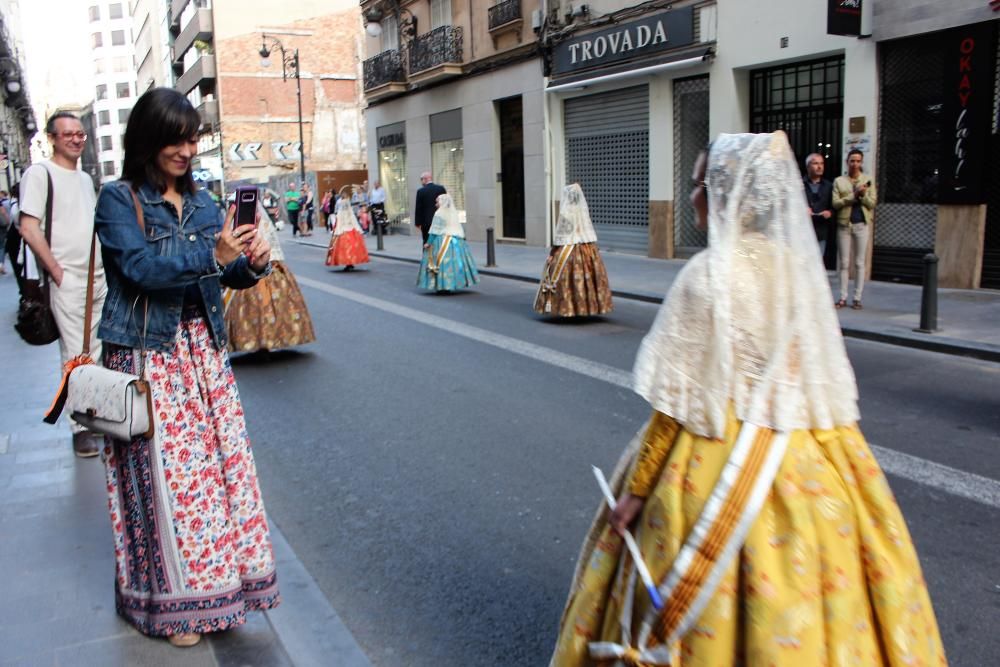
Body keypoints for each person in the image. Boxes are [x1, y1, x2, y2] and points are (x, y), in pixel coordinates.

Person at [550, 132, 945, 666]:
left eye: (698, 185)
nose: (692, 196)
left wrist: (637, 493)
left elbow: (676, 402)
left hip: (708, 452)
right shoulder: (797, 272)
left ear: (723, 192)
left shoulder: (709, 274)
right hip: (806, 454)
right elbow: (809, 372)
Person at [94, 87, 279, 647]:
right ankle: (171, 608)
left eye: (193, 137)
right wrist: (212, 256)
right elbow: (141, 269)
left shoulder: (204, 204)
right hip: (148, 355)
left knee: (215, 479)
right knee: (166, 485)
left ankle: (220, 594)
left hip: (204, 355)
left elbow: (218, 277)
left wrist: (251, 266)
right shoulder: (118, 200)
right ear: (149, 139)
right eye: (176, 138)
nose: (186, 148)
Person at [18, 111, 106, 457]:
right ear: (52, 138)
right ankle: (80, 428)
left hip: (97, 278)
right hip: (69, 280)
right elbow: (28, 226)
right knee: (76, 355)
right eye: (67, 134)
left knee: (96, 353)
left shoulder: (84, 179)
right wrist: (56, 271)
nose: (75, 139)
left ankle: (95, 419)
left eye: (80, 134)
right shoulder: (39, 173)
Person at [224, 198, 316, 353]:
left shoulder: (256, 221)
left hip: (263, 264)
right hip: (250, 267)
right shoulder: (250, 221)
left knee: (259, 304)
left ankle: (263, 338)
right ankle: (265, 338)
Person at [533, 183, 612, 317]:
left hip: (568, 248)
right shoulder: (582, 211)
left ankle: (568, 308)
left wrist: (554, 251)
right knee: (588, 277)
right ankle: (586, 307)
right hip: (586, 248)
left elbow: (562, 235)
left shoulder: (567, 212)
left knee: (566, 279)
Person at [832, 149, 877, 310]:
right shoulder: (839, 181)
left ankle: (857, 298)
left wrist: (863, 195)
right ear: (847, 162)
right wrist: (853, 196)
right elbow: (836, 203)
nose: (855, 164)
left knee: (859, 262)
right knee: (844, 263)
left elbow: (872, 204)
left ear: (861, 162)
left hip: (861, 225)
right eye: (852, 161)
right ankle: (843, 297)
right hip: (844, 225)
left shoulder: (868, 180)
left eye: (858, 161)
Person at [416, 194, 479, 292]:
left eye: (437, 202)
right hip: (456, 241)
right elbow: (459, 228)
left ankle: (443, 285)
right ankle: (453, 284)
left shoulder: (439, 213)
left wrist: (428, 243)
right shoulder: (453, 213)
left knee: (441, 264)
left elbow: (435, 231)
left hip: (442, 241)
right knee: (454, 264)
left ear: (443, 202)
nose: (436, 204)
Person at [326, 189, 370, 271]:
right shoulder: (348, 207)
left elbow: (339, 218)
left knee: (344, 248)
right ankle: (350, 263)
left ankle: (348, 263)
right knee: (352, 246)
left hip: (343, 229)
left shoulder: (341, 207)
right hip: (350, 228)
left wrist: (337, 230)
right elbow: (352, 217)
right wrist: (358, 228)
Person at [802, 152, 834, 258]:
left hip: (821, 231)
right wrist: (802, 210)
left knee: (818, 262)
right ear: (808, 166)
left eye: (822, 163)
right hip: (803, 231)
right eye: (815, 163)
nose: (819, 166)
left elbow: (834, 206)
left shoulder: (829, 186)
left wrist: (829, 212)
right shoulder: (799, 184)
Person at [414, 171, 446, 244]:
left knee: (427, 241)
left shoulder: (421, 191)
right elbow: (446, 205)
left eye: (421, 179)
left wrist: (418, 223)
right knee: (439, 242)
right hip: (440, 221)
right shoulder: (441, 188)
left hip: (426, 223)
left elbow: (418, 209)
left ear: (425, 179)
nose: (421, 182)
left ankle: (427, 255)